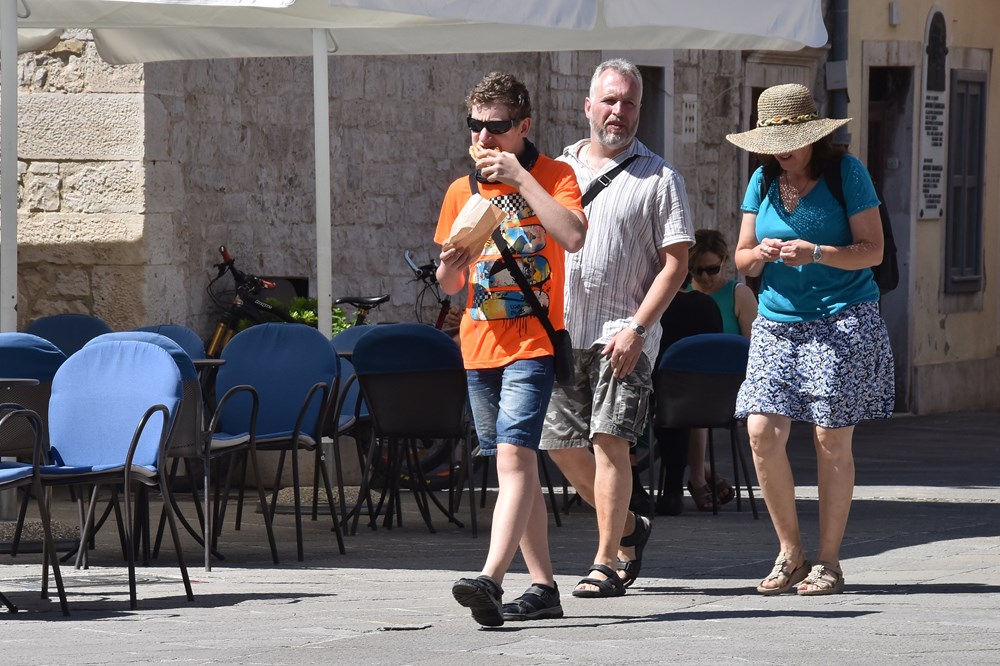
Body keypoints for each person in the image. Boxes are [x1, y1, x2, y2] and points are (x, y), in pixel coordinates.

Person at [726, 83, 894, 596]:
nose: (782, 151)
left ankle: (829, 561)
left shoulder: (847, 173)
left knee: (829, 437)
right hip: (777, 322)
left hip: (842, 319)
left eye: (791, 141)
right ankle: (790, 553)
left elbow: (873, 251)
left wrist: (816, 251)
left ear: (813, 136)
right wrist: (762, 254)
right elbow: (741, 256)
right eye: (773, 143)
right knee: (761, 431)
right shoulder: (762, 179)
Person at [435, 72, 586, 626]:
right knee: (514, 468)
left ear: (523, 127)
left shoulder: (555, 176)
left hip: (532, 344)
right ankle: (544, 587)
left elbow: (572, 236)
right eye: (475, 125)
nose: (484, 138)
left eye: (496, 127)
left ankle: (490, 579)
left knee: (515, 457)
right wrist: (449, 265)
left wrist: (520, 177)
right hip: (479, 348)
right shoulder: (462, 190)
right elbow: (451, 285)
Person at [540, 58, 694, 598]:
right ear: (588, 106)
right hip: (562, 334)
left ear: (639, 111)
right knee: (560, 445)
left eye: (628, 102)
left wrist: (638, 329)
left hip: (621, 334)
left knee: (611, 443)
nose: (618, 111)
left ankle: (606, 560)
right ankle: (630, 525)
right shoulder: (554, 173)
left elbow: (676, 264)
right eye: (609, 100)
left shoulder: (660, 178)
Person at [683, 228, 759, 511]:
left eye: (712, 269)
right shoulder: (681, 293)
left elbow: (752, 350)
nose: (704, 277)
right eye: (696, 270)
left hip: (726, 384)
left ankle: (697, 478)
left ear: (725, 261)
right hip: (683, 382)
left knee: (696, 400)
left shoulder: (739, 295)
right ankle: (703, 470)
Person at [652, 273, 724, 516]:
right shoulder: (707, 304)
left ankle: (633, 487)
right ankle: (676, 486)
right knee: (674, 401)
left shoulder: (654, 308)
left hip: (664, 398)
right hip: (711, 400)